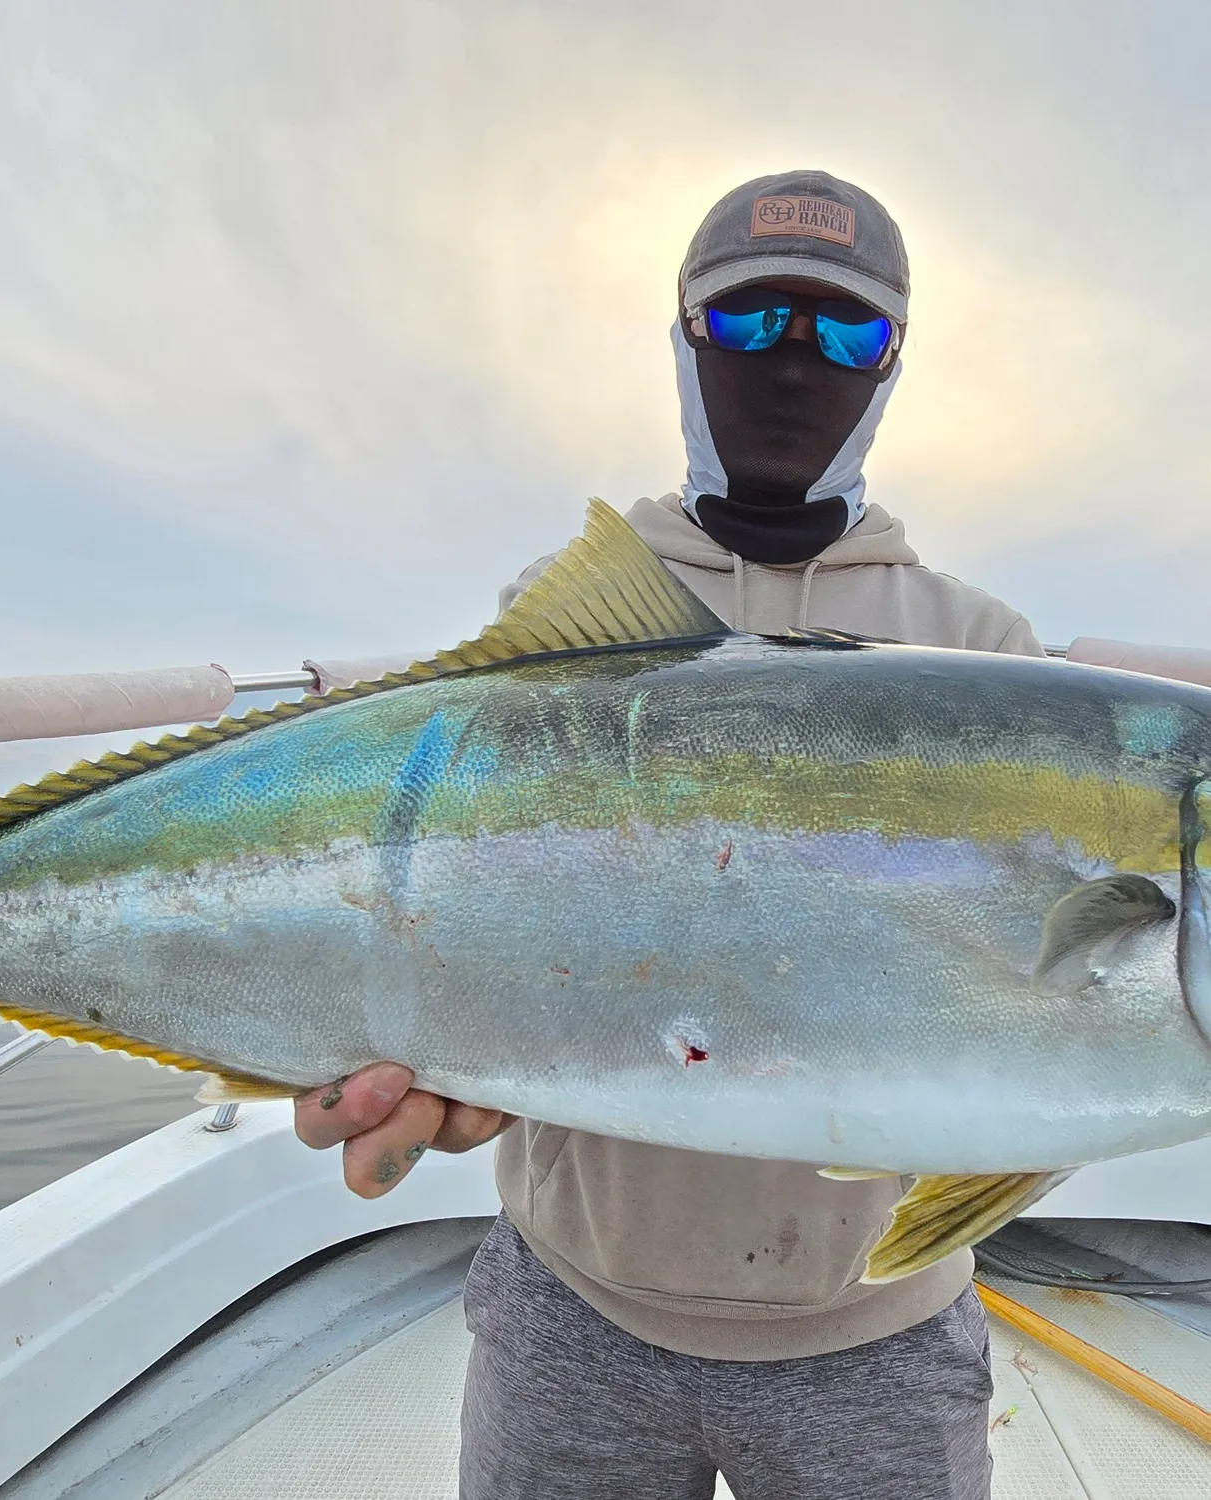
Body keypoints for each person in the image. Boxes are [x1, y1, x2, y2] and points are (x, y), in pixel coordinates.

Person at [295, 170, 1040, 1499]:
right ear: (684, 338)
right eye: (751, 323)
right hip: (573, 1316)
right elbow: (464, 882)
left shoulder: (978, 650)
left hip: (875, 1338)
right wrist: (436, 1040)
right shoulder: (572, 613)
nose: (797, 365)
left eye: (847, 333)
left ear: (894, 366)